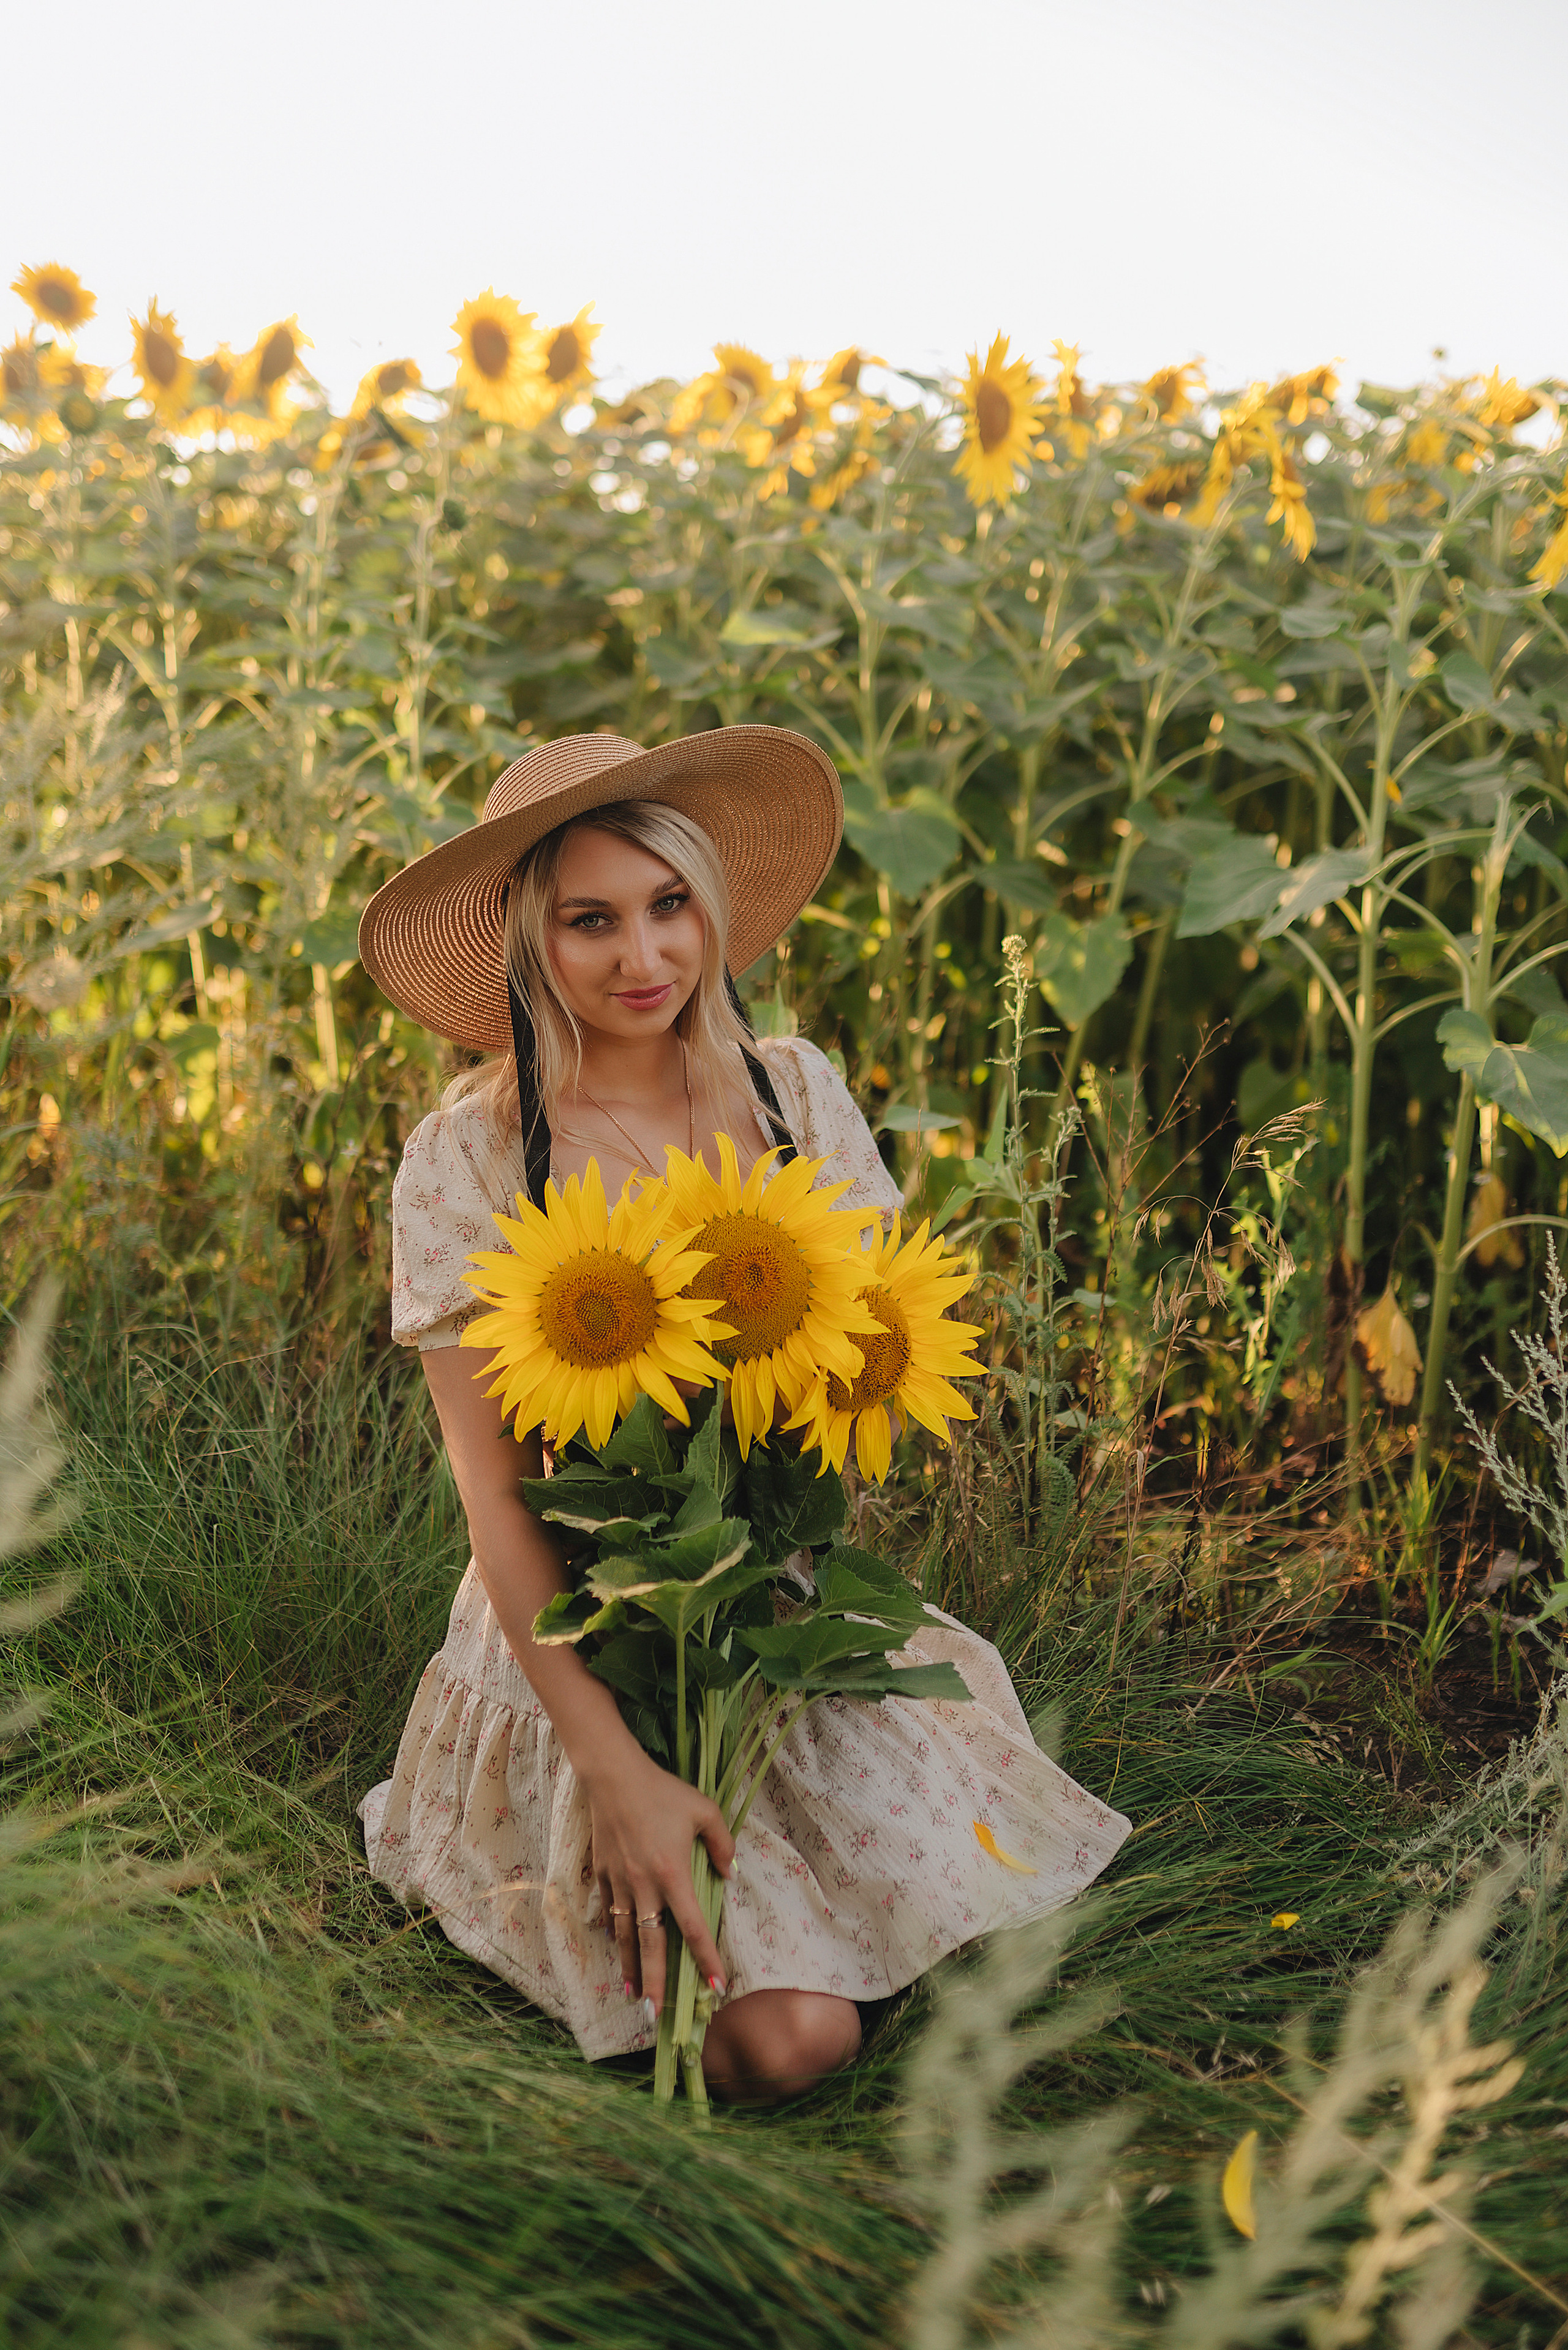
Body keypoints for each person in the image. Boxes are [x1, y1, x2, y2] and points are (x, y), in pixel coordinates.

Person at [356, 725, 1129, 2103]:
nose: (642, 955)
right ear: (530, 939)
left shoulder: (789, 1095)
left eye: (668, 904)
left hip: (767, 1598)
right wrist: (614, 1768)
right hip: (583, 1628)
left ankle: (841, 1897)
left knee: (849, 1985)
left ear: (710, 903)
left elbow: (854, 1364)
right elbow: (499, 1506)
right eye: (590, 919)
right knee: (777, 2044)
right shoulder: (466, 1155)